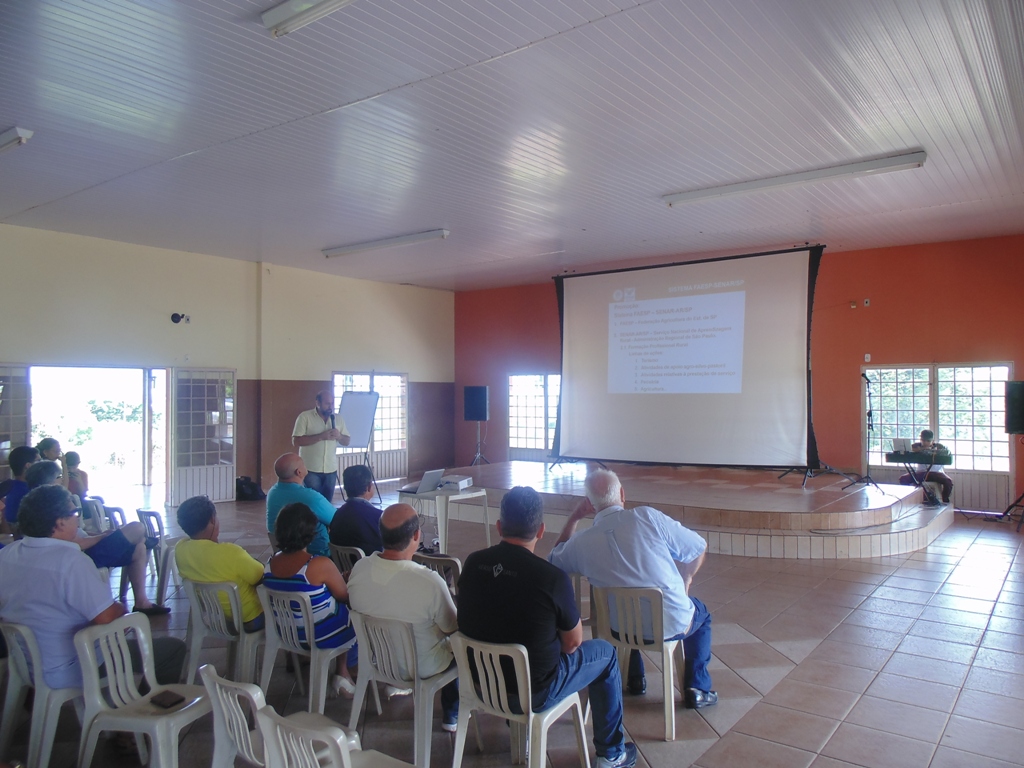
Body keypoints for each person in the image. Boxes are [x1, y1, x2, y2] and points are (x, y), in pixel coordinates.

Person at [457, 486, 636, 768]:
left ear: (500, 526)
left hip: (481, 685)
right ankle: (612, 753)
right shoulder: (551, 578)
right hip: (535, 693)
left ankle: (518, 730)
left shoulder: (473, 563)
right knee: (605, 654)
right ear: (541, 531)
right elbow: (573, 644)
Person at [548, 469, 716, 709]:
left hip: (618, 627)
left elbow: (554, 561)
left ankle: (635, 678)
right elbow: (698, 547)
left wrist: (574, 518)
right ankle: (697, 688)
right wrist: (686, 579)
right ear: (623, 494)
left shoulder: (582, 542)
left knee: (624, 606)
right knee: (702, 615)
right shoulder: (648, 517)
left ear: (589, 504)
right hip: (671, 621)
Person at [0, 485, 185, 690]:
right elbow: (109, 618)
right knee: (172, 650)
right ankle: (139, 713)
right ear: (60, 522)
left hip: (25, 663)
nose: (77, 518)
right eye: (74, 513)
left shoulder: (7, 554)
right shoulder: (70, 561)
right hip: (72, 667)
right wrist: (121, 609)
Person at [348, 503, 458, 730]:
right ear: (416, 535)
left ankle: (397, 684)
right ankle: (452, 714)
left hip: (378, 661)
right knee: (458, 645)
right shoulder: (429, 581)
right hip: (423, 667)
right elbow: (452, 627)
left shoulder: (359, 569)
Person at [25, 460, 169, 616]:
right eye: (59, 476)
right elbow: (71, 543)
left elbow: (77, 532)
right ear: (49, 480)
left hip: (90, 546)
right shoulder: (45, 507)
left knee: (139, 547)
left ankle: (142, 603)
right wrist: (102, 537)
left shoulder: (42, 503)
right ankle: (143, 539)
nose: (63, 479)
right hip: (85, 554)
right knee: (136, 527)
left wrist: (100, 535)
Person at [263, 502, 356, 696]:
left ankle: (296, 658)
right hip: (319, 636)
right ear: (310, 533)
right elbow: (344, 595)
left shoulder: (270, 563)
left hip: (286, 632)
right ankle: (342, 671)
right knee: (350, 611)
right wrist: (344, 580)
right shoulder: (318, 564)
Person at [175, 495, 265, 632]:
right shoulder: (231, 552)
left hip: (218, 616)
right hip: (250, 618)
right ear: (212, 519)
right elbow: (260, 576)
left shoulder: (180, 549)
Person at [266, 453, 336, 557]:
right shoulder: (311, 498)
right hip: (317, 555)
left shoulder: (272, 492)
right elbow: (337, 519)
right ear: (299, 472)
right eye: (303, 463)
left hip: (283, 553)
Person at [292, 390, 350, 501]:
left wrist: (340, 436)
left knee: (326, 503)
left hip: (330, 469)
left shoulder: (338, 419)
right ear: (317, 403)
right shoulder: (305, 417)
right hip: (310, 469)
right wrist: (320, 437)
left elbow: (347, 441)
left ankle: (325, 519)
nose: (330, 406)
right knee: (312, 502)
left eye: (332, 403)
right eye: (327, 403)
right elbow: (296, 441)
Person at [329, 464, 383, 554]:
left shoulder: (338, 514)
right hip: (370, 566)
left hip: (341, 566)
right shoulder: (379, 517)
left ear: (345, 488)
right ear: (369, 487)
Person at [898, 429, 954, 504]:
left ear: (932, 440)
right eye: (923, 440)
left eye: (928, 441)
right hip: (921, 473)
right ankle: (909, 500)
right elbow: (910, 448)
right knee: (903, 479)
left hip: (936, 473)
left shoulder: (939, 446)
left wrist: (933, 450)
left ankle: (944, 500)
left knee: (948, 481)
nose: (925, 443)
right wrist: (922, 449)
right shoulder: (917, 446)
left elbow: (946, 452)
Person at [2, 446, 38, 527]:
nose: (42, 465)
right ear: (28, 465)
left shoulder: (10, 486)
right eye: (38, 461)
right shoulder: (33, 491)